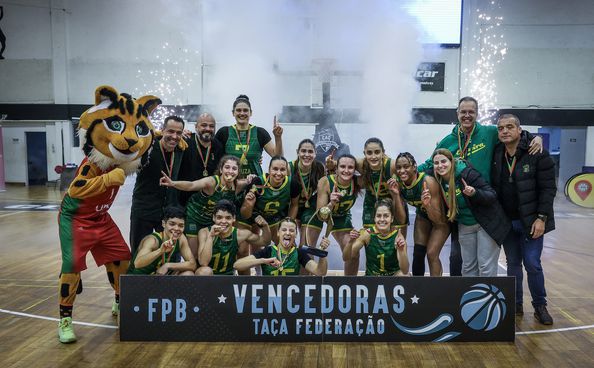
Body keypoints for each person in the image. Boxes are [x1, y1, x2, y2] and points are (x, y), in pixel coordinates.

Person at [417, 96, 542, 276]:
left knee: (485, 265)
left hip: (485, 204)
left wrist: (534, 138)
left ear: (476, 114)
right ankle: (461, 298)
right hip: (460, 209)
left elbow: (513, 134)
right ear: (457, 113)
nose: (467, 115)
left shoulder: (489, 133)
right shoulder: (448, 141)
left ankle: (485, 301)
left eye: (471, 112)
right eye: (463, 112)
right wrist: (407, 171)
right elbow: (430, 164)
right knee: (457, 258)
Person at [491, 114, 556, 324]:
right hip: (508, 222)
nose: (505, 131)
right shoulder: (497, 152)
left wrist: (542, 218)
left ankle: (540, 306)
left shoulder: (537, 152)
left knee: (532, 264)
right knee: (512, 264)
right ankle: (515, 304)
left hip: (532, 221)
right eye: (501, 128)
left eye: (510, 127)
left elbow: (548, 189)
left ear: (520, 130)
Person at [431, 149, 511, 277]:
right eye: (436, 163)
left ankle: (487, 297)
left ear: (451, 161)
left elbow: (492, 195)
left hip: (485, 223)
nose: (440, 165)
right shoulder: (438, 181)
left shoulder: (466, 174)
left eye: (443, 161)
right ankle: (472, 297)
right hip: (465, 225)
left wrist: (474, 193)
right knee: (468, 268)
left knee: (485, 266)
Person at [159, 155, 249, 257]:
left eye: (234, 168)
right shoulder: (211, 182)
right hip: (194, 218)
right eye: (227, 167)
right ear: (221, 169)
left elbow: (256, 181)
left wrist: (252, 178)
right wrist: (173, 183)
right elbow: (191, 185)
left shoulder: (238, 185)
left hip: (211, 221)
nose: (230, 171)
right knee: (194, 255)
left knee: (209, 252)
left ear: (238, 172)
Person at [130, 115, 185, 254]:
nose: (174, 136)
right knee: (139, 252)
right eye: (170, 131)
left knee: (171, 253)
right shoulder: (148, 146)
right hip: (144, 209)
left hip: (169, 212)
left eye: (179, 133)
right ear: (162, 130)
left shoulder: (181, 149)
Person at [395, 152, 449, 276]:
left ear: (414, 167)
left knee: (431, 254)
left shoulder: (428, 182)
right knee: (418, 253)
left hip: (441, 219)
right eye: (399, 167)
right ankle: (416, 290)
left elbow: (438, 220)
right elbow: (401, 219)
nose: (402, 170)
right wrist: (396, 195)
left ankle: (435, 291)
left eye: (406, 166)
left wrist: (428, 205)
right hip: (423, 214)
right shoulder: (398, 183)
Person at [195, 200, 271, 275]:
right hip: (208, 277)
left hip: (229, 277)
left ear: (233, 218)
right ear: (214, 218)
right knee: (204, 271)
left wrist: (265, 226)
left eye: (228, 218)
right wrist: (211, 236)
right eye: (219, 217)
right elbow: (203, 262)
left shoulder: (240, 234)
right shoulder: (204, 232)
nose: (223, 221)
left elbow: (265, 242)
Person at [215, 94, 283, 178]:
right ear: (233, 113)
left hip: (254, 184)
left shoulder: (260, 133)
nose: (242, 113)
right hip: (231, 184)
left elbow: (278, 158)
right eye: (238, 110)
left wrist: (278, 137)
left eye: (245, 110)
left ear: (251, 113)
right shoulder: (224, 132)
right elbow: (214, 158)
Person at [233, 217, 329, 276]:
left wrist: (322, 254)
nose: (288, 233)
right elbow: (237, 265)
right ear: (278, 233)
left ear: (296, 235)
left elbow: (320, 272)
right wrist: (262, 261)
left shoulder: (300, 253)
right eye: (284, 230)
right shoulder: (268, 251)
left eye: (291, 231)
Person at [240, 155, 300, 245]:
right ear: (269, 169)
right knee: (242, 248)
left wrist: (289, 222)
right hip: (253, 213)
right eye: (275, 169)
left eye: (282, 169)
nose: (279, 173)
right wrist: (249, 204)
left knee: (288, 244)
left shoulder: (293, 184)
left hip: (273, 216)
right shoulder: (257, 182)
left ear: (287, 171)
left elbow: (294, 205)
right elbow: (245, 215)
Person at [343, 199, 409, 276]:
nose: (382, 219)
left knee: (404, 275)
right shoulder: (367, 234)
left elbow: (405, 270)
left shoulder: (397, 236)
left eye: (386, 216)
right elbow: (346, 258)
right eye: (378, 216)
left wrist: (401, 251)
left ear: (392, 219)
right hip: (372, 279)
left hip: (392, 280)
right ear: (374, 218)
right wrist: (350, 242)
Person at [127, 206, 196, 275]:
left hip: (160, 278)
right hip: (138, 279)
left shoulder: (181, 238)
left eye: (181, 225)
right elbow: (137, 263)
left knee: (188, 274)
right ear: (163, 224)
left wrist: (168, 266)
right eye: (172, 224)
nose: (176, 228)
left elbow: (192, 264)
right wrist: (160, 251)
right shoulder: (153, 240)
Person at [177, 113, 225, 206]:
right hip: (184, 198)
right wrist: (179, 134)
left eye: (211, 126)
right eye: (203, 125)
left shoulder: (218, 146)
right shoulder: (185, 141)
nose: (207, 128)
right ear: (196, 127)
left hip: (208, 200)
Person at [288, 139, 326, 247]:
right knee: (289, 244)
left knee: (305, 246)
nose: (306, 155)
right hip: (289, 207)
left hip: (307, 207)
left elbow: (325, 190)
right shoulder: (289, 168)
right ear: (297, 152)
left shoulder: (319, 168)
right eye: (303, 151)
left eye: (310, 152)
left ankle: (305, 261)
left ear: (315, 153)